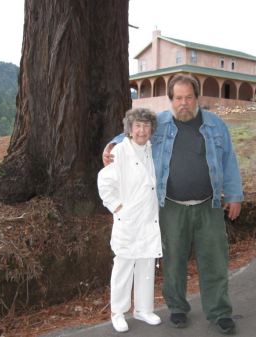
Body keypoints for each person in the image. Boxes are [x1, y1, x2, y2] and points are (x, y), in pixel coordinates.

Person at [103, 74, 244, 335]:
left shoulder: (215, 126)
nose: (184, 103)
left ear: (197, 98)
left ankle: (219, 312)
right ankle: (177, 308)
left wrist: (234, 195)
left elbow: (228, 161)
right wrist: (113, 143)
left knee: (214, 260)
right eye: (178, 98)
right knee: (174, 260)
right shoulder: (160, 124)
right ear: (171, 100)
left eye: (188, 97)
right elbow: (135, 134)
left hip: (208, 205)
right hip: (171, 206)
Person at [97, 108, 163, 333]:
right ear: (130, 129)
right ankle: (118, 312)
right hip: (128, 220)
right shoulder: (121, 151)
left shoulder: (152, 151)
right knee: (123, 266)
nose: (142, 130)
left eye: (146, 126)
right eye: (138, 126)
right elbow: (104, 181)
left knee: (146, 265)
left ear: (151, 129)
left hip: (148, 219)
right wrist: (118, 208)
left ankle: (143, 309)